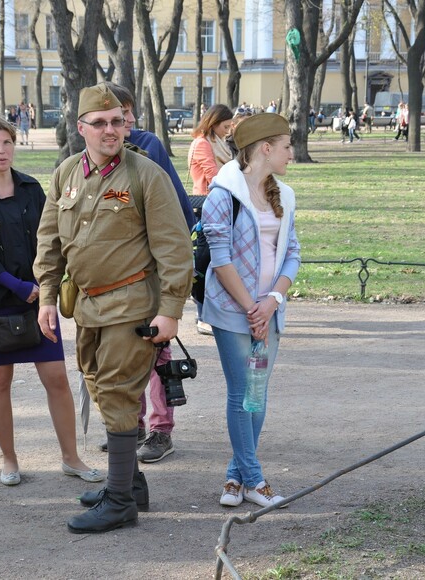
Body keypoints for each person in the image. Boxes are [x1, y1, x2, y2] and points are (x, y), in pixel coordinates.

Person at [33, 83, 192, 534]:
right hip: (85, 306)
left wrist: (171, 309)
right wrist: (47, 295)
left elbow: (175, 247)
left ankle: (120, 501)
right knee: (101, 389)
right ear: (80, 127)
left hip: (132, 305)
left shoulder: (145, 175)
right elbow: (49, 240)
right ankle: (130, 482)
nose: (110, 130)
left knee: (120, 393)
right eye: (99, 123)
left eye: (117, 122)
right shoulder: (66, 173)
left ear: (127, 124)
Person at [0, 115, 101, 487]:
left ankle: (71, 457)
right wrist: (18, 287)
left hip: (39, 298)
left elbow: (49, 236)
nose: (1, 151)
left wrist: (44, 285)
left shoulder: (32, 189)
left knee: (56, 377)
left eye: (6, 143)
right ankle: (9, 458)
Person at [200, 113, 301, 509]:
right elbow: (221, 260)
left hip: (268, 312)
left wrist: (272, 300)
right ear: (265, 148)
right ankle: (256, 481)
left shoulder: (285, 195)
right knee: (242, 392)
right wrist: (250, 308)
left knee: (256, 395)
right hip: (232, 312)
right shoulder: (221, 194)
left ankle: (235, 476)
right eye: (287, 146)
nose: (292, 153)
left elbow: (292, 253)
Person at [98, 80, 195, 464]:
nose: (115, 127)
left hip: (148, 270)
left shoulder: (147, 146)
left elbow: (177, 212)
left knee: (155, 347)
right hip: (114, 276)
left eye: (121, 118)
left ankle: (160, 429)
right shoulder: (93, 157)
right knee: (123, 351)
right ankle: (132, 425)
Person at [188, 104, 234, 336]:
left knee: (219, 260)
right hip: (206, 205)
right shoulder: (203, 143)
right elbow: (213, 175)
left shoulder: (218, 142)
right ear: (214, 122)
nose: (228, 130)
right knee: (204, 260)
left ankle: (214, 312)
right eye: (225, 126)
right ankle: (202, 315)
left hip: (221, 205)